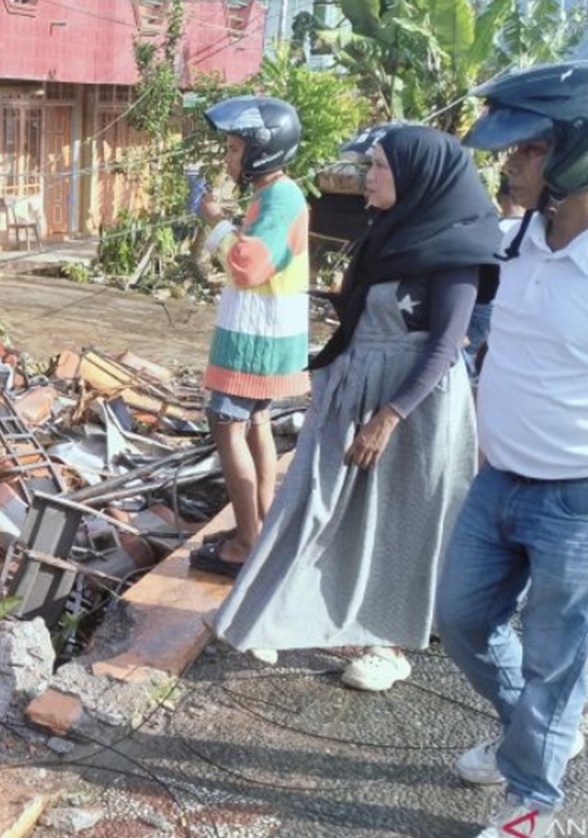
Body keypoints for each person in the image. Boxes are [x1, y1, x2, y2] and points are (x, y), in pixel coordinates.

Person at [210, 124, 501, 692]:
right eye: (369, 166)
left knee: (397, 522)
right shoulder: (387, 234)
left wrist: (388, 416)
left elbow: (445, 345)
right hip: (357, 388)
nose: (367, 178)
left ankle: (386, 646)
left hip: (414, 408)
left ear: (418, 175)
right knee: (312, 503)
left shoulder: (457, 249)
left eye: (378, 167)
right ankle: (273, 616)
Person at [436, 60, 588, 838]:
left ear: (573, 151)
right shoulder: (513, 241)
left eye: (524, 150)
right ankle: (535, 731)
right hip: (498, 481)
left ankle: (532, 801)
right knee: (459, 619)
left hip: (576, 499)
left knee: (556, 660)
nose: (508, 163)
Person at [189, 95, 311, 578]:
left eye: (236, 149)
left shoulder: (280, 199)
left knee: (227, 424)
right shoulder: (273, 195)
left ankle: (245, 541)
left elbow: (249, 264)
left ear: (263, 151)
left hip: (255, 341)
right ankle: (257, 527)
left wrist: (215, 222)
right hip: (268, 339)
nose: (228, 158)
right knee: (257, 424)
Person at [463, 176, 524, 378]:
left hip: (484, 304)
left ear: (501, 197)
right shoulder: (535, 232)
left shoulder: (491, 230)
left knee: (467, 357)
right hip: (514, 309)